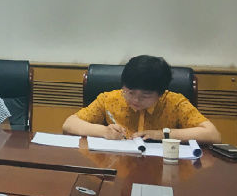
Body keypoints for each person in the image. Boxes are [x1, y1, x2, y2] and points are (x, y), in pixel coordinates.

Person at [62, 55, 219, 143]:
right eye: (130, 92)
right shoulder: (109, 99)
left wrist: (162, 135)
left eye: (145, 96)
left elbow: (212, 135)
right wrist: (104, 131)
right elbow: (69, 124)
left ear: (161, 93)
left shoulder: (174, 102)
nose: (136, 100)